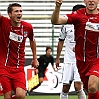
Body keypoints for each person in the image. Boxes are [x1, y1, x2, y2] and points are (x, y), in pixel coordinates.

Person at [51, 0, 99, 99]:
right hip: (81, 61)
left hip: (96, 59)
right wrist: (57, 7)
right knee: (89, 90)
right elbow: (55, 21)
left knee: (92, 86)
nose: (91, 0)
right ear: (85, 1)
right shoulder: (78, 15)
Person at [0, 3, 39, 99]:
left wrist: (34, 58)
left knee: (21, 95)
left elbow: (32, 40)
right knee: (7, 96)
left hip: (18, 67)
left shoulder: (28, 27)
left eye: (20, 11)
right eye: (16, 11)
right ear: (9, 14)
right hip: (4, 67)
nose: (19, 13)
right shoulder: (3, 22)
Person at [55, 4, 86, 99]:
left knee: (78, 86)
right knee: (65, 88)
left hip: (80, 60)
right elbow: (60, 42)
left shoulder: (87, 25)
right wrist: (57, 58)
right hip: (68, 61)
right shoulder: (66, 26)